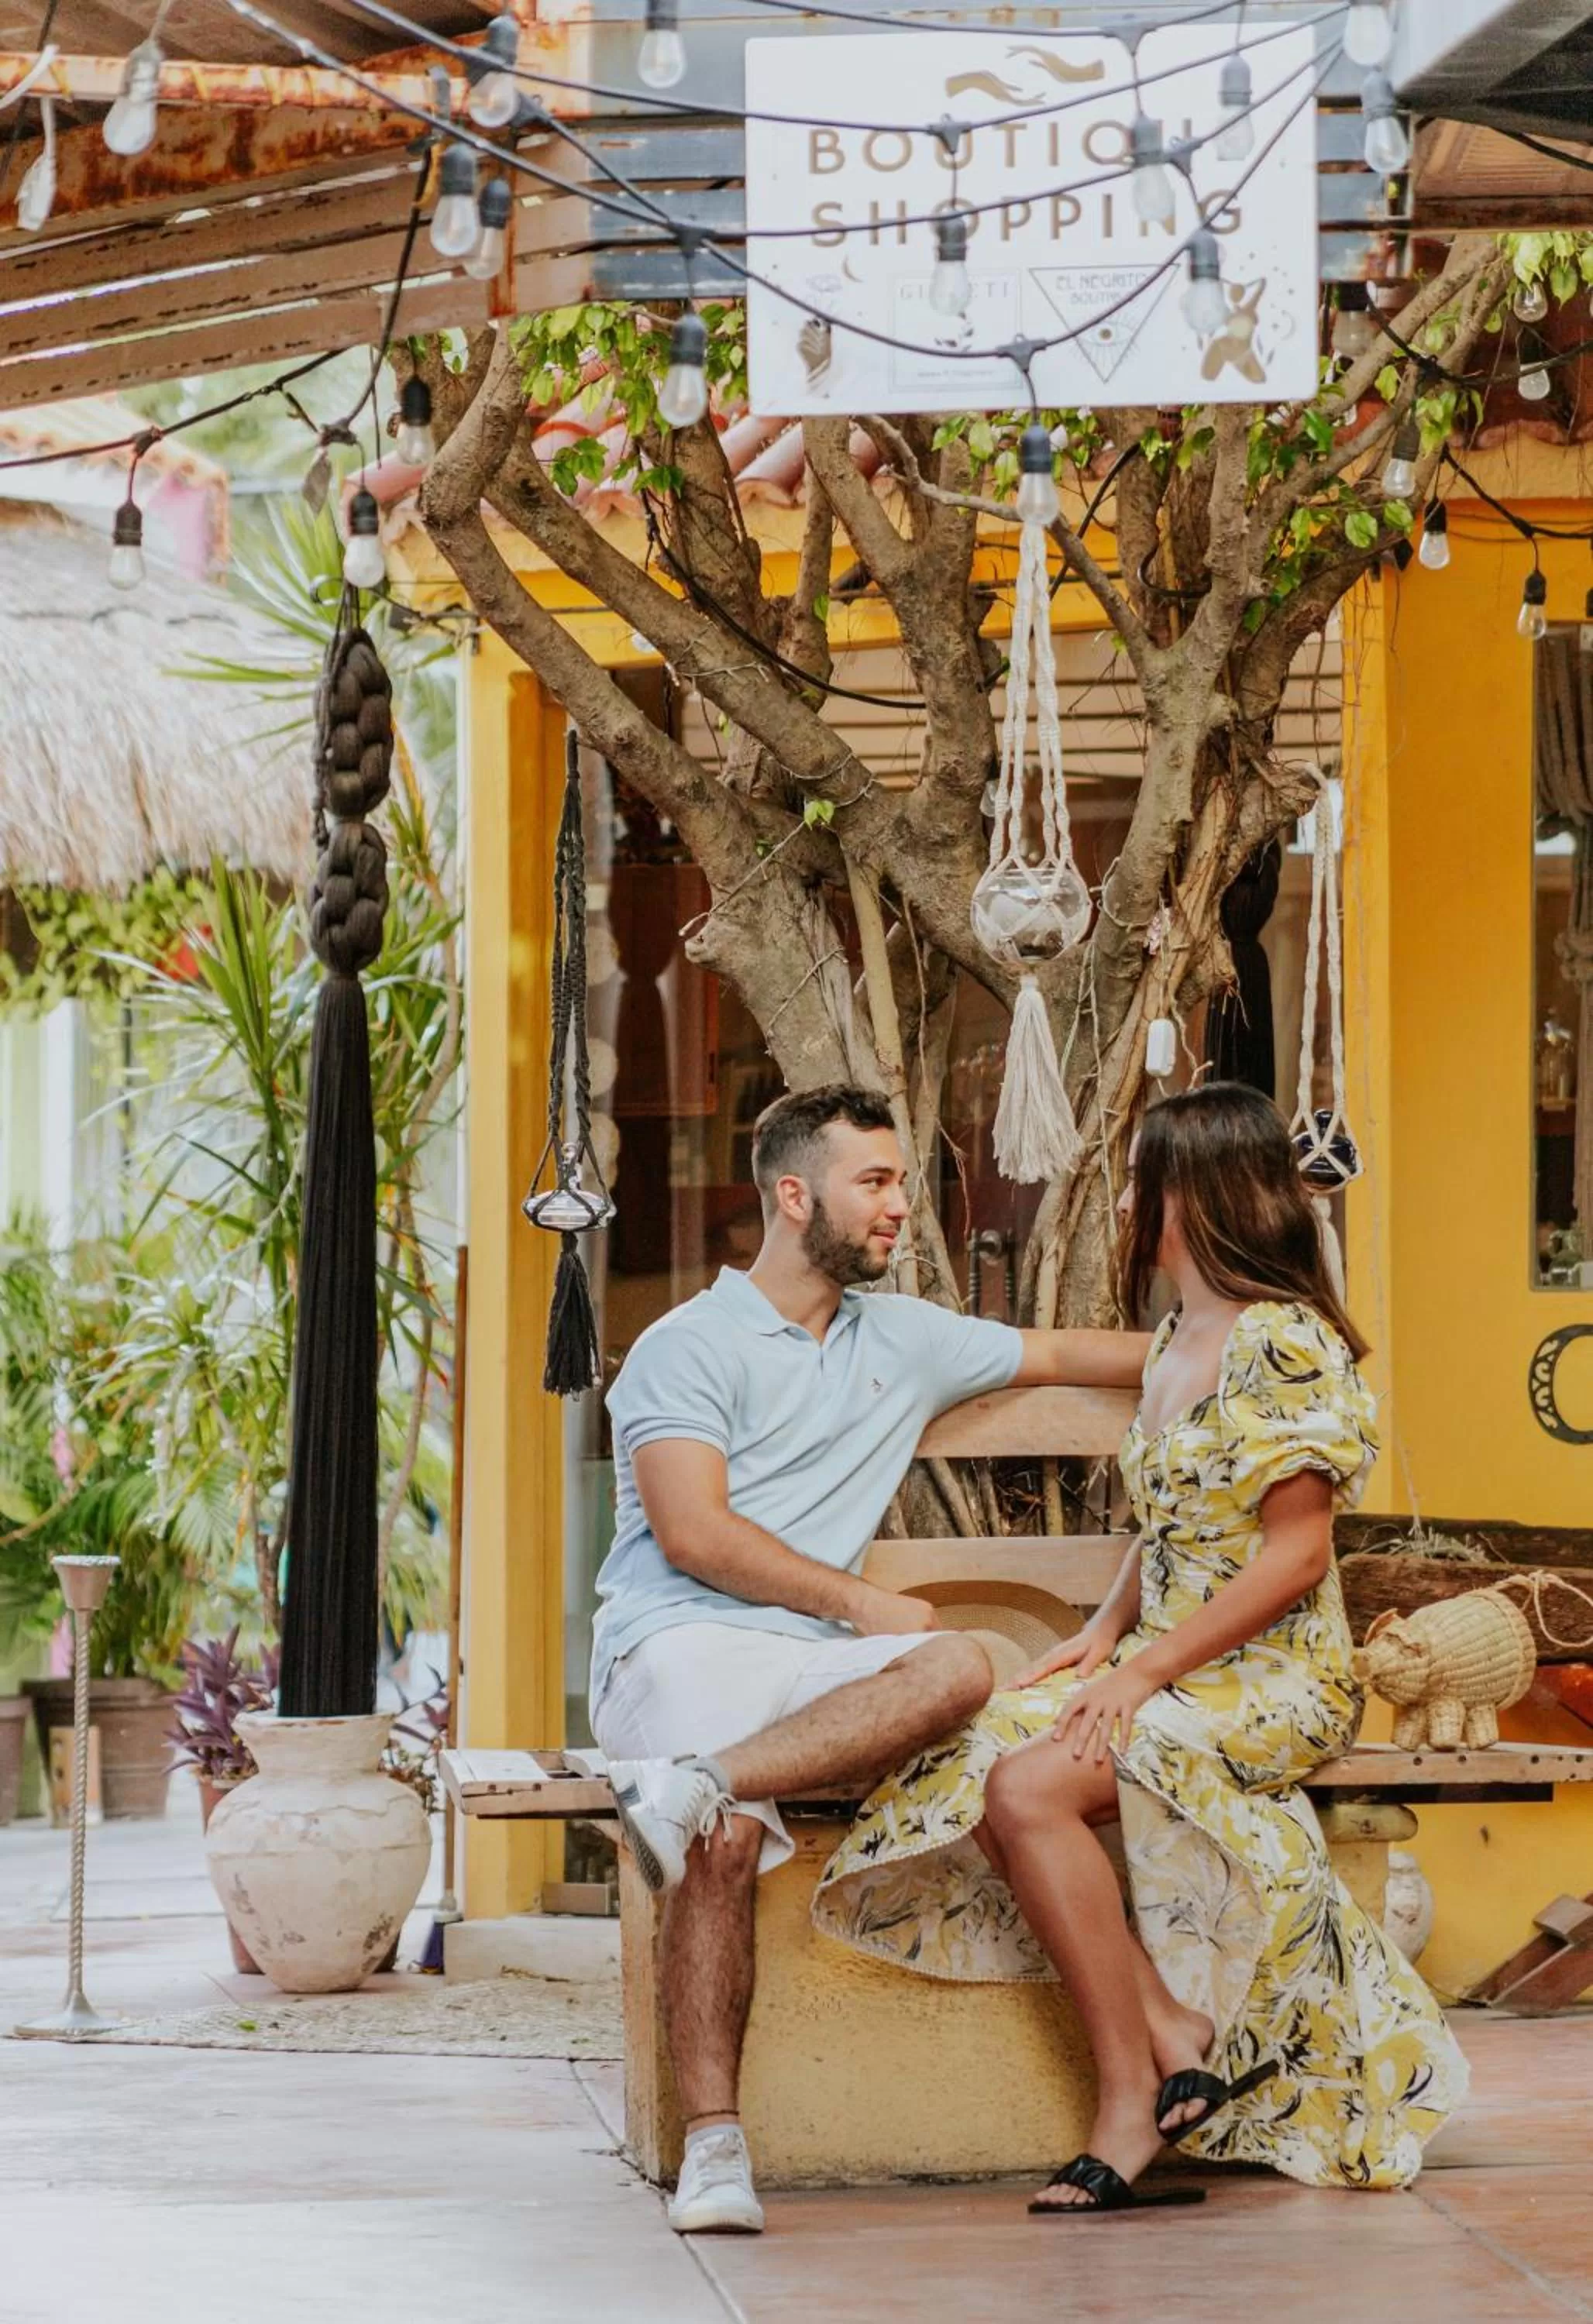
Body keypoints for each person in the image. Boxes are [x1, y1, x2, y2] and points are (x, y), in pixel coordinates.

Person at [814, 1082, 1470, 2215]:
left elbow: (1293, 1559)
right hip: (1171, 1659)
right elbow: (1169, 1521)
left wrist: (1141, 1673)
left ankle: (1131, 2096)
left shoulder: (1283, 1343)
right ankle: (1172, 2028)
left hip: (1273, 1680)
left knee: (1027, 1788)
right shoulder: (1178, 1334)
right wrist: (1101, 1634)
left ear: (1193, 1190)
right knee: (976, 1752)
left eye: (1138, 1178)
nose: (1122, 1197)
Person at [590, 1082, 1148, 2235]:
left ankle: (699, 1780)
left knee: (960, 1667)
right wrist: (859, 1601)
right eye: (877, 1184)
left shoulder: (904, 1335)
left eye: (901, 1182)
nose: (902, 1208)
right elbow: (693, 1536)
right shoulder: (683, 1349)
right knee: (723, 1843)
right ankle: (713, 2150)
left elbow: (1067, 1351)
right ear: (795, 1197)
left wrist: (1254, 1338)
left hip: (815, 1668)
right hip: (678, 1639)